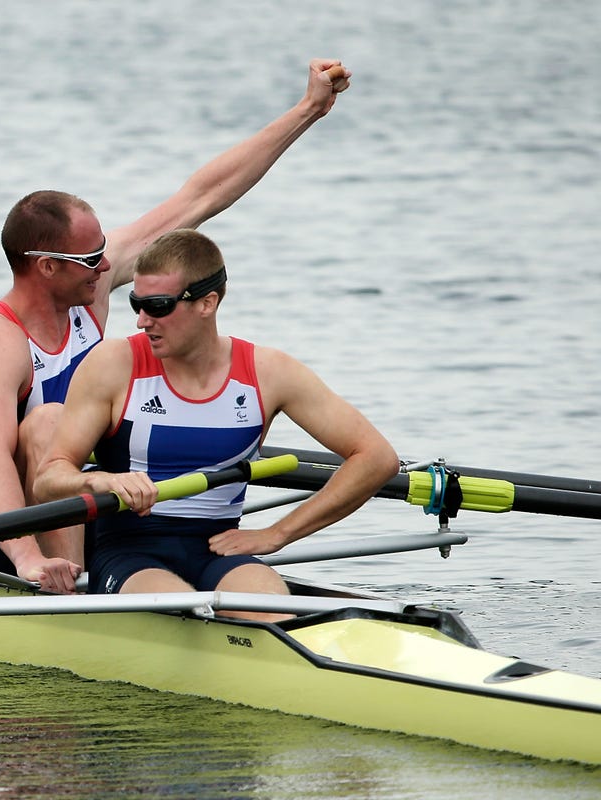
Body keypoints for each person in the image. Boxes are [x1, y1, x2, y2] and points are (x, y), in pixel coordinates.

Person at [0, 58, 354, 593]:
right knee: (49, 420)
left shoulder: (89, 289)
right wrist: (28, 557)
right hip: (16, 521)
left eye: (104, 251)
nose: (106, 266)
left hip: (97, 503)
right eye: (90, 257)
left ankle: (132, 571)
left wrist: (306, 111)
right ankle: (72, 583)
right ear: (47, 266)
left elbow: (199, 197)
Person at [32, 229, 398, 620]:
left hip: (222, 551)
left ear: (207, 303)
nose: (141, 321)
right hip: (129, 554)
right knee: (184, 614)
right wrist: (99, 480)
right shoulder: (114, 364)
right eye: (136, 303)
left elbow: (376, 458)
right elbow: (48, 478)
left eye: (157, 306)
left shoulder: (269, 373)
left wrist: (277, 533)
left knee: (277, 619)